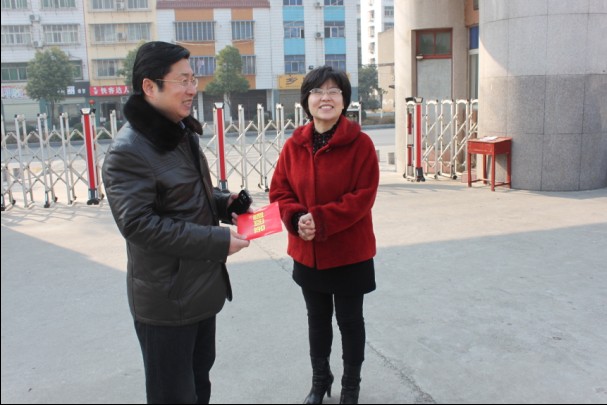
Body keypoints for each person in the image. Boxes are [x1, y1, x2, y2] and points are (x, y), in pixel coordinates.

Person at [102, 41, 250, 404]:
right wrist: (217, 241)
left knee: (199, 386)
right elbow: (140, 225)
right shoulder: (129, 151)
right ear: (149, 86)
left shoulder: (179, 132)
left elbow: (185, 196)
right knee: (173, 395)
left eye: (193, 79)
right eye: (182, 80)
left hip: (199, 290)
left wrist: (224, 204)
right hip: (167, 302)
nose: (192, 89)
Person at [269, 66, 379, 404]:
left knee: (350, 321)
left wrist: (320, 219)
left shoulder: (360, 144)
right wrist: (295, 218)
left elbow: (363, 196)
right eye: (317, 91)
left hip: (349, 252)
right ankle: (320, 380)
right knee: (317, 320)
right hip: (308, 253)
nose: (325, 97)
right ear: (307, 100)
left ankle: (350, 386)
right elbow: (279, 191)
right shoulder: (294, 145)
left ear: (345, 100)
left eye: (334, 91)